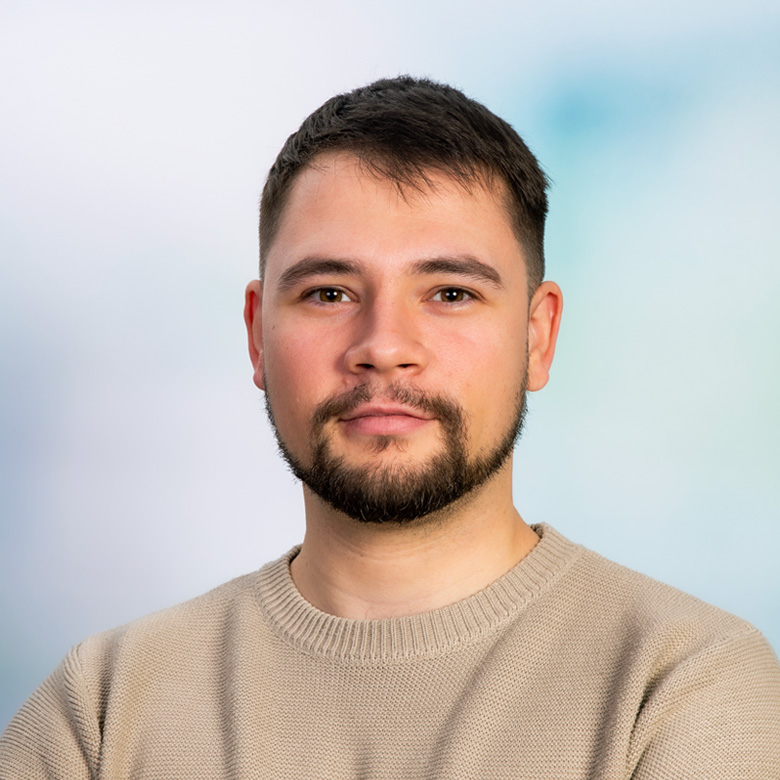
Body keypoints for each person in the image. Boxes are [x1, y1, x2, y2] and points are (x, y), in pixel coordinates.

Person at [2, 76, 779, 779]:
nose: (383, 346)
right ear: (256, 335)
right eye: (329, 294)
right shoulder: (102, 709)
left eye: (450, 294)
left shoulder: (680, 684)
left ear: (537, 337)